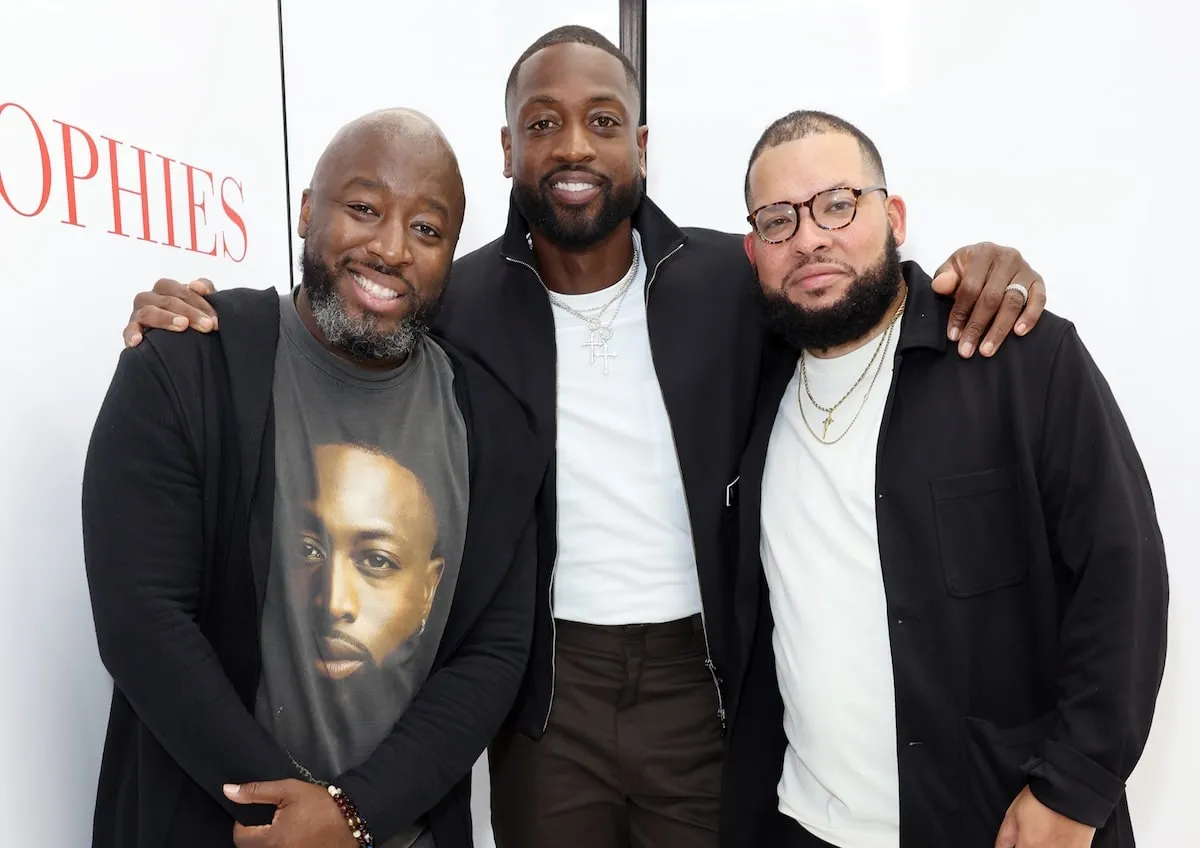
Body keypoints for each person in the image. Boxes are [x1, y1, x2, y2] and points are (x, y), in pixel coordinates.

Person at [113, 27, 1049, 848]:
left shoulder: (734, 277)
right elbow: (343, 314)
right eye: (545, 122)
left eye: (604, 122)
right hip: (544, 693)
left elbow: (846, 291)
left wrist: (967, 273)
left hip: (705, 685)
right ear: (508, 147)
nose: (574, 145)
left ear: (641, 145)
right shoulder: (453, 298)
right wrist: (200, 312)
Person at [81, 108, 546, 848]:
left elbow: (491, 655)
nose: (391, 247)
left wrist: (356, 815)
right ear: (306, 209)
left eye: (426, 230)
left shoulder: (494, 427)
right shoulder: (185, 362)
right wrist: (290, 821)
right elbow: (143, 623)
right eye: (364, 208)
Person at [724, 110, 1169, 848]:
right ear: (754, 251)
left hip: (997, 824)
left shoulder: (1018, 360)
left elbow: (1124, 579)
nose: (810, 237)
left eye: (838, 203)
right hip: (803, 826)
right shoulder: (751, 388)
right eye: (778, 220)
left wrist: (1075, 788)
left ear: (892, 215)